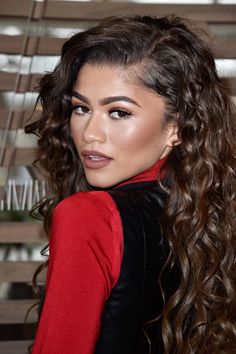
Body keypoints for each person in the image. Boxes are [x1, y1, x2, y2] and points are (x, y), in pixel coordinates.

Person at [25, 15, 236, 354]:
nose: (89, 134)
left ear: (176, 128)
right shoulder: (203, 211)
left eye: (118, 112)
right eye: (80, 108)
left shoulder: (88, 216)